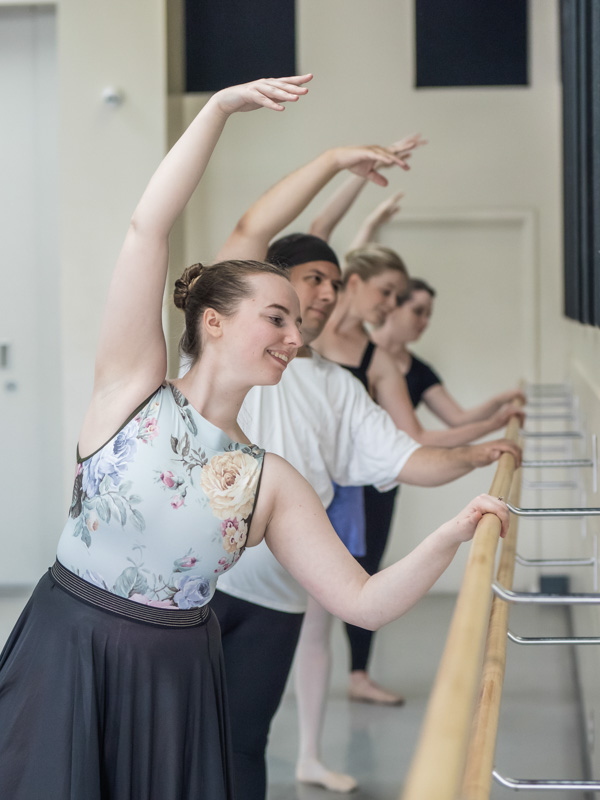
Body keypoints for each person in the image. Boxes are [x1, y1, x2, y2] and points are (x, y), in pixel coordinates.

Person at [0, 74, 511, 800]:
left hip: (175, 675)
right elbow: (149, 227)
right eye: (278, 316)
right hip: (65, 642)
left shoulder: (272, 479)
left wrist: (454, 533)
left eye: (298, 325)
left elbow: (362, 601)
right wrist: (217, 111)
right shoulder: (132, 386)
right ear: (214, 321)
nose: (295, 334)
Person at [209, 146, 522, 795]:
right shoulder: (233, 346)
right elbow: (250, 232)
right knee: (172, 737)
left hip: (276, 595)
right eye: (314, 279)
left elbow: (409, 456)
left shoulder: (338, 385)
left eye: (333, 280)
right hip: (198, 580)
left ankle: (308, 758)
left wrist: (478, 456)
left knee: (243, 743)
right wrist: (334, 165)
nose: (326, 291)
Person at [372, 276, 526, 416]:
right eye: (418, 311)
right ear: (393, 306)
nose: (425, 322)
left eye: (428, 315)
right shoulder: (359, 350)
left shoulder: (419, 371)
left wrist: (499, 401)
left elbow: (458, 418)